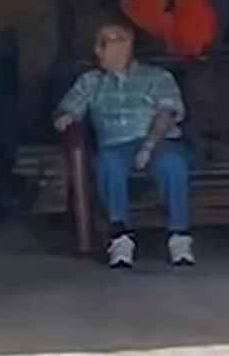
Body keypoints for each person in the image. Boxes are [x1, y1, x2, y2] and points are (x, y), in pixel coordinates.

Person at [54, 18, 194, 268]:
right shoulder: (91, 81)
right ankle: (120, 238)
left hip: (157, 141)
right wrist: (66, 117)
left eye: (104, 44)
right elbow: (67, 109)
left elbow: (166, 113)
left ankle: (179, 237)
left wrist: (148, 146)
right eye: (98, 45)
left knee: (173, 163)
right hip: (115, 144)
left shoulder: (157, 77)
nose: (98, 51)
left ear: (125, 46)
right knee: (109, 163)